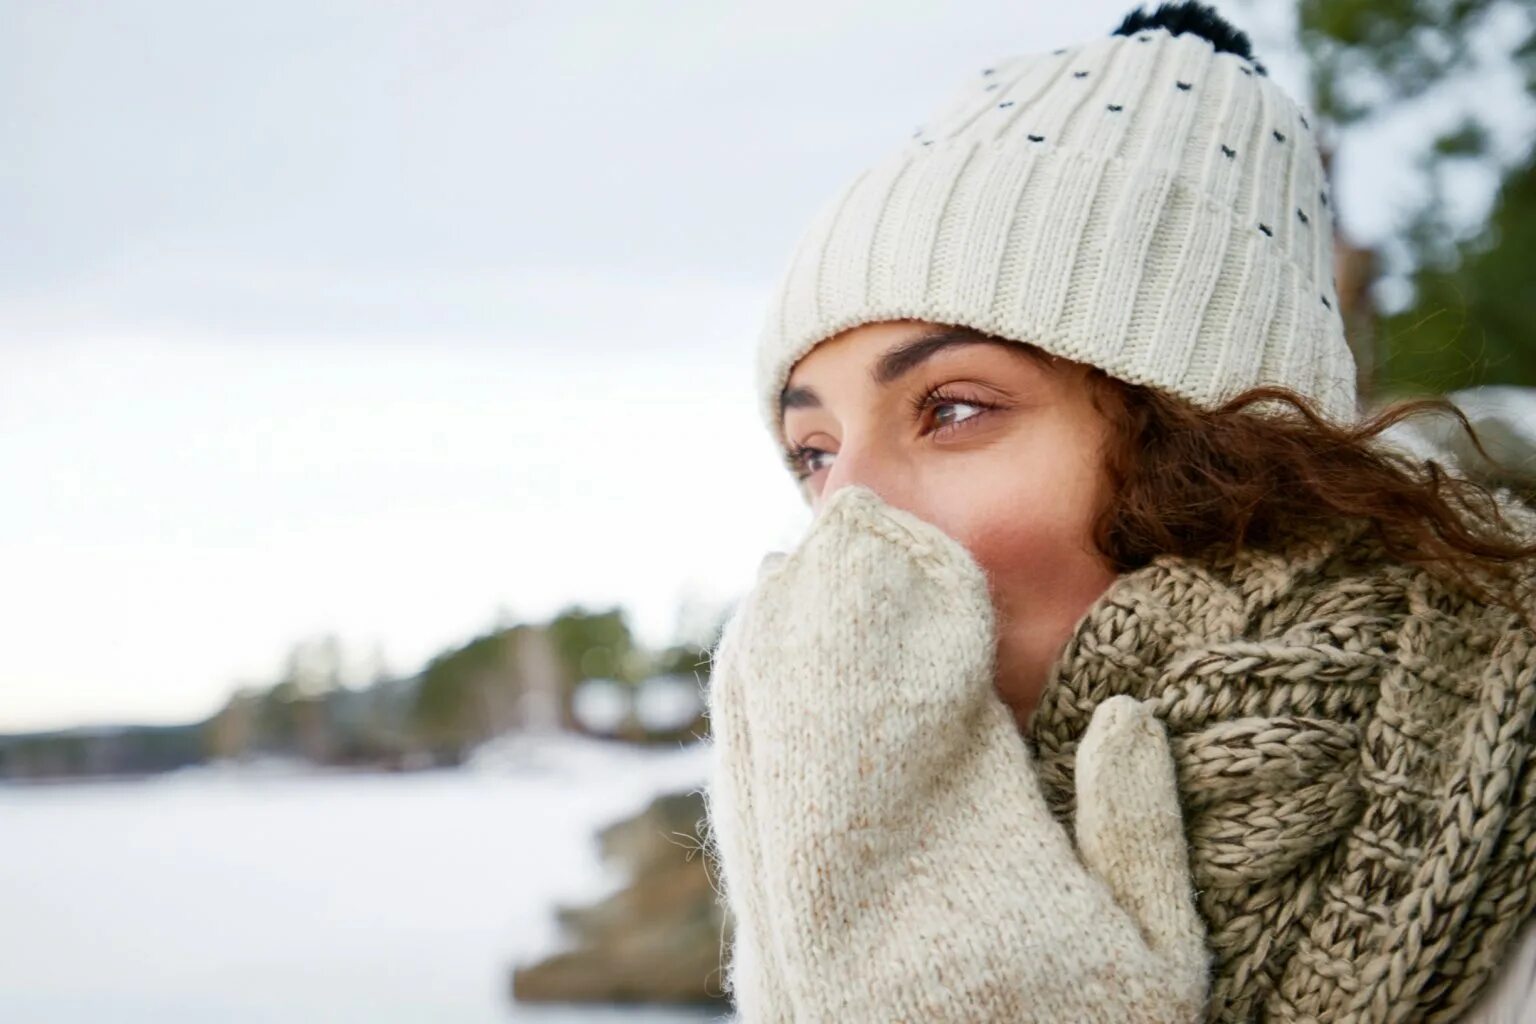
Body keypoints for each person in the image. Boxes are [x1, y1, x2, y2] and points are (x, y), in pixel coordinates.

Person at [699, 2, 1536, 1022]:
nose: (847, 523)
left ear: (1200, 443)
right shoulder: (847, 898)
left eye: (953, 409)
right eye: (814, 455)